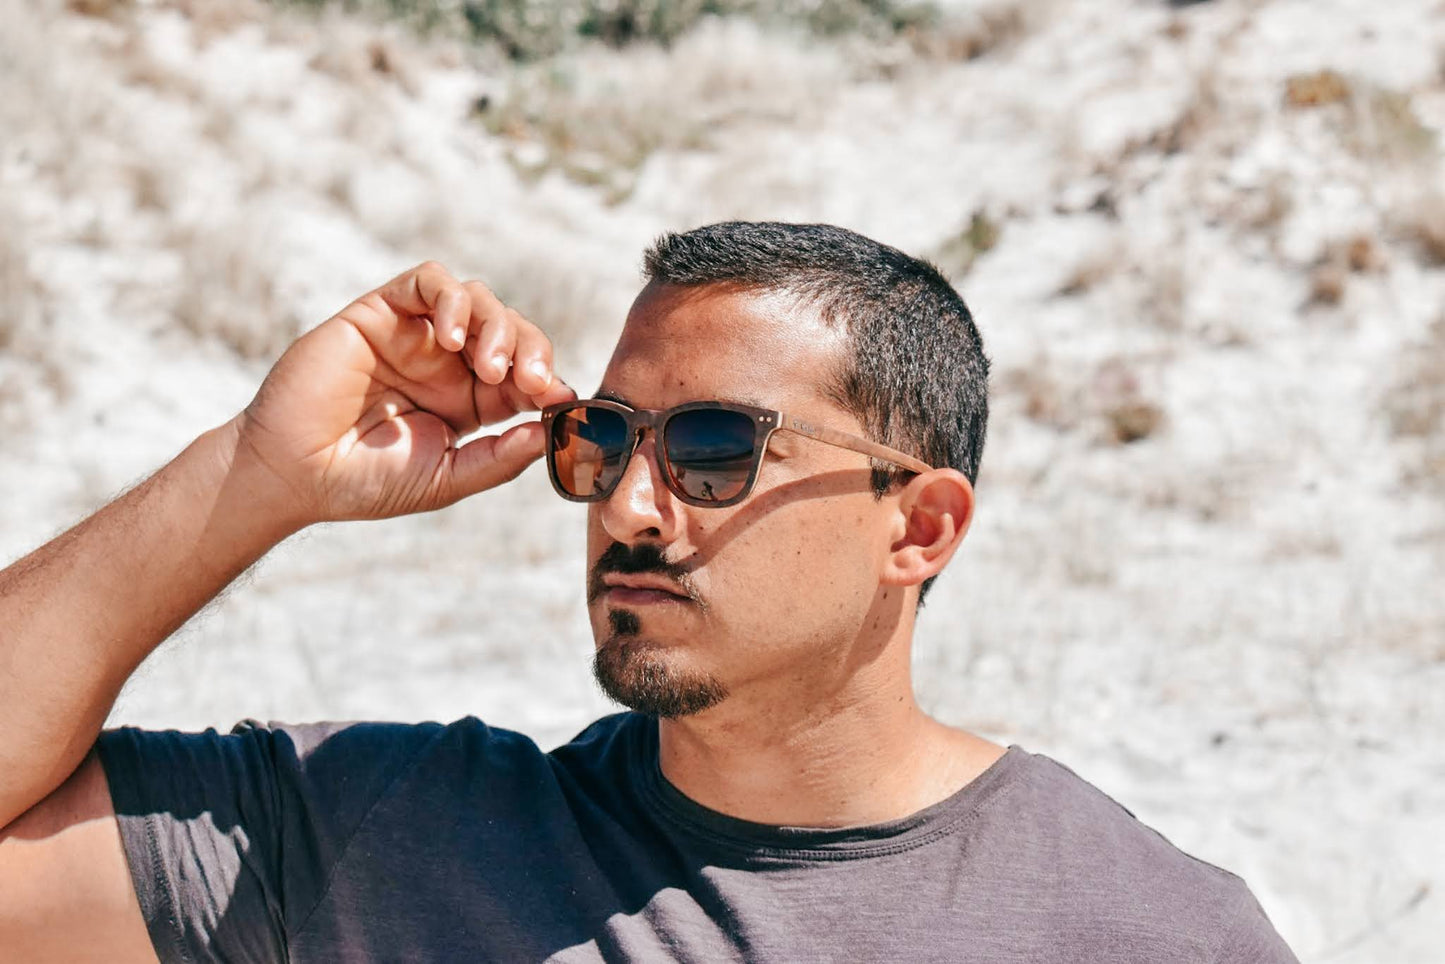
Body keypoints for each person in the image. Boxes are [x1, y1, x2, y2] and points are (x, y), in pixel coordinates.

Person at [0, 222, 1296, 962]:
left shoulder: (1147, 932)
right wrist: (255, 472)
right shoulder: (387, 839)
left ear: (919, 527)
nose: (625, 505)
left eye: (716, 452)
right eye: (605, 439)